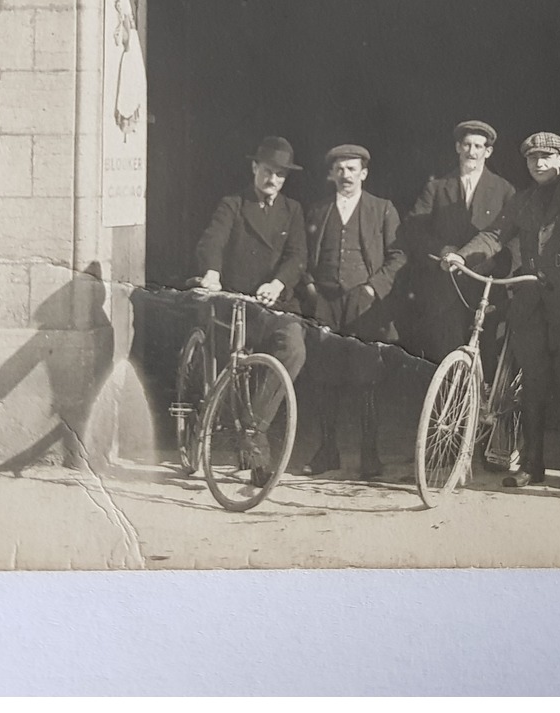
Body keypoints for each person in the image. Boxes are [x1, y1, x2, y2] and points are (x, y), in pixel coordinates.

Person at [441, 132, 560, 491]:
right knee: (532, 386)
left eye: (547, 156)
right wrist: (462, 256)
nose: (539, 163)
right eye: (533, 158)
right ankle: (532, 465)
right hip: (530, 303)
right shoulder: (523, 200)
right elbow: (495, 234)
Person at [194, 135, 310, 486]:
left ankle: (253, 429)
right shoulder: (233, 204)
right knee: (235, 367)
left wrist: (277, 284)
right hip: (237, 301)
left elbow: (297, 257)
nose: (272, 179)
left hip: (276, 302)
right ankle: (255, 452)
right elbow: (212, 239)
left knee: (294, 349)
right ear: (254, 169)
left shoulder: (292, 210)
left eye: (280, 174)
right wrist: (212, 272)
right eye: (267, 171)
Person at [301, 145, 406, 480]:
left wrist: (374, 287)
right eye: (340, 169)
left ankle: (369, 455)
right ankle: (327, 450)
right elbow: (302, 255)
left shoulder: (382, 209)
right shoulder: (317, 211)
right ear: (332, 174)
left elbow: (399, 255)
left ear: (364, 173)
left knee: (366, 379)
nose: (346, 175)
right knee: (325, 378)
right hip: (326, 303)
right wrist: (311, 289)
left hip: (366, 304)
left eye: (352, 169)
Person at [405, 120, 517, 362]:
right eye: (467, 145)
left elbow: (507, 236)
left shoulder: (504, 190)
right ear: (457, 147)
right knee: (446, 354)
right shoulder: (436, 188)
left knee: (485, 353)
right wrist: (441, 249)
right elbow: (414, 230)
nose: (471, 152)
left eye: (478, 146)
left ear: (488, 152)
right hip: (446, 287)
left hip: (485, 285)